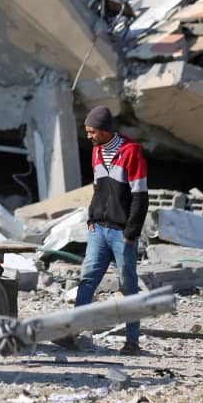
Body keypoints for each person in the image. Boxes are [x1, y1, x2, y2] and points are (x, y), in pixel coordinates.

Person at [72, 105, 149, 355]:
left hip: (121, 235)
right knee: (87, 280)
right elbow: (98, 189)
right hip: (98, 230)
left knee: (128, 286)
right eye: (87, 131)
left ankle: (132, 342)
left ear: (105, 131)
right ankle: (74, 333)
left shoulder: (131, 153)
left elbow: (140, 197)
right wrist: (91, 217)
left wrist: (130, 232)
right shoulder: (96, 152)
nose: (89, 136)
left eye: (92, 132)